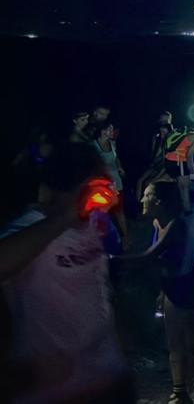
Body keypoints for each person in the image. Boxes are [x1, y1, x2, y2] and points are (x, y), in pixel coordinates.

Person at [0, 142, 132, 402]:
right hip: (54, 390)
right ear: (51, 191)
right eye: (86, 188)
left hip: (109, 378)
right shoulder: (31, 228)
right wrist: (68, 215)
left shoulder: (96, 222)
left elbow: (99, 284)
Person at [113, 182, 194, 403]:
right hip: (173, 288)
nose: (141, 200)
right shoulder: (158, 222)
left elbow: (149, 256)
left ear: (159, 201)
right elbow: (160, 262)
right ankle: (180, 393)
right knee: (175, 344)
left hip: (191, 288)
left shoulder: (176, 225)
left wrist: (110, 261)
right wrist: (162, 291)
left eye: (147, 195)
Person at [90, 121, 125, 192]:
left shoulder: (112, 143)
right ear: (103, 131)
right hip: (102, 181)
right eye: (110, 129)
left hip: (115, 179)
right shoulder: (93, 145)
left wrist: (119, 167)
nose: (113, 131)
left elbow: (115, 158)